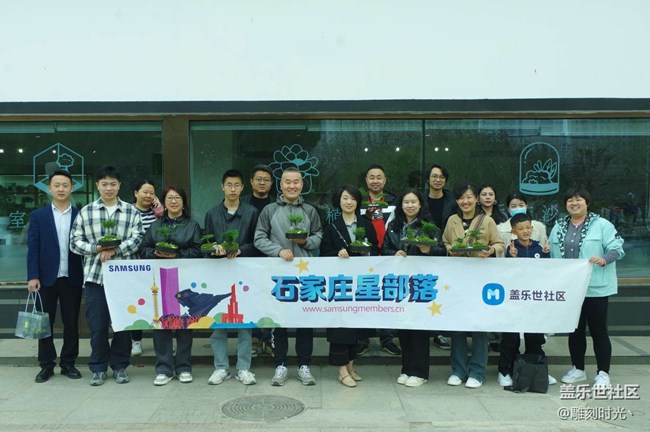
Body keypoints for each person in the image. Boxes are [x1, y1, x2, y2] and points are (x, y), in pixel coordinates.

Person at [70, 165, 144, 386]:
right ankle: (98, 368)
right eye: (104, 184)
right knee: (98, 326)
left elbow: (138, 239)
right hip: (95, 278)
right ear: (97, 186)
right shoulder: (86, 211)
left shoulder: (131, 212)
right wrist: (97, 249)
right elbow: (75, 242)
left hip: (124, 278)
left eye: (113, 184)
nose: (109, 188)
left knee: (123, 325)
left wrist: (115, 250)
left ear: (119, 185)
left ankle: (120, 367)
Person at [550, 186, 625, 388]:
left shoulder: (602, 225)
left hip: (595, 288)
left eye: (579, 200)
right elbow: (552, 255)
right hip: (570, 288)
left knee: (599, 331)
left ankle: (603, 373)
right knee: (575, 330)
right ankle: (578, 369)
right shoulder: (558, 226)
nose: (574, 203)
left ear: (587, 203)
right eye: (570, 200)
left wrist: (604, 258)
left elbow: (617, 248)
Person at [254, 166, 323, 386]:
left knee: (305, 321)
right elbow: (259, 238)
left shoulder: (311, 210)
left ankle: (304, 365)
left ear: (302, 184)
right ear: (281, 184)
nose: (292, 186)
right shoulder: (269, 210)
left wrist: (306, 242)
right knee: (279, 320)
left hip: (304, 274)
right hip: (279, 274)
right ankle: (281, 364)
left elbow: (319, 236)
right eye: (287, 182)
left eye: (296, 182)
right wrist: (278, 250)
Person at [442, 183, 505, 389]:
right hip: (458, 279)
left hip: (480, 280)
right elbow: (444, 242)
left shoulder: (486, 221)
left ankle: (477, 372)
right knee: (458, 327)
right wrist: (450, 249)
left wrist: (491, 251)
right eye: (461, 198)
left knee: (479, 327)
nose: (465, 201)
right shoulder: (452, 220)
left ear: (476, 199)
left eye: (469, 197)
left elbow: (499, 244)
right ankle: (458, 370)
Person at [383, 189, 447, 387]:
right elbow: (384, 249)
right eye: (406, 202)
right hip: (401, 283)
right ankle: (406, 368)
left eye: (413, 202)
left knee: (419, 328)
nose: (410, 205)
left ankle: (420, 372)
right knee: (403, 327)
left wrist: (429, 250)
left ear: (420, 205)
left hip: (421, 283)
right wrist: (394, 253)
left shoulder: (429, 227)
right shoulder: (393, 226)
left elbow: (443, 251)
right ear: (401, 205)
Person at [139, 185, 202, 385]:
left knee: (184, 323)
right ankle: (164, 368)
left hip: (184, 280)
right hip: (161, 280)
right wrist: (156, 254)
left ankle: (184, 367)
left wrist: (177, 254)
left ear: (184, 202)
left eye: (177, 198)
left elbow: (199, 250)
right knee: (161, 323)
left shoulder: (192, 226)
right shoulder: (156, 226)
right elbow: (143, 248)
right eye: (169, 198)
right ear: (164, 203)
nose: (173, 201)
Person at [27, 170, 84, 383]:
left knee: (71, 323)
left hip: (72, 277)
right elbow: (33, 248)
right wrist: (33, 276)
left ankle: (68, 363)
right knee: (44, 324)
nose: (61, 189)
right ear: (49, 188)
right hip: (45, 279)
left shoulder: (80, 215)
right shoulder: (38, 216)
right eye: (57, 185)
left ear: (71, 188)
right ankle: (46, 365)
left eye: (65, 185)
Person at [320, 184, 379, 387]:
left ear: (358, 202)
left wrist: (367, 252)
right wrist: (337, 253)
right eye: (345, 198)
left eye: (353, 198)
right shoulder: (332, 226)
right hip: (340, 286)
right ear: (339, 201)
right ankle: (342, 370)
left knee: (357, 329)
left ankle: (351, 366)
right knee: (340, 328)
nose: (349, 202)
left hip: (361, 284)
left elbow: (376, 249)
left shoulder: (366, 224)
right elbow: (323, 253)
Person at [204, 169, 259, 386]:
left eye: (237, 185)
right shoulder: (212, 214)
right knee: (218, 321)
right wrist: (214, 249)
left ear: (243, 187)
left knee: (245, 322)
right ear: (222, 187)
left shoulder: (252, 212)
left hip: (244, 274)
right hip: (218, 274)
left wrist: (241, 250)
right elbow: (206, 243)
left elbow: (257, 243)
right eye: (229, 185)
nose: (233, 189)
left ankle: (243, 368)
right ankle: (221, 367)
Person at [497, 212, 556, 387]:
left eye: (528, 227)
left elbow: (548, 270)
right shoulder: (510, 248)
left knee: (535, 337)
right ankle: (504, 371)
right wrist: (511, 257)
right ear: (513, 231)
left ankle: (538, 369)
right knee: (511, 338)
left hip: (534, 300)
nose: (525, 231)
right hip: (514, 300)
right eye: (521, 228)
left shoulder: (540, 247)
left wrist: (546, 255)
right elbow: (505, 272)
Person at [356, 164, 401, 357]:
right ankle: (362, 340)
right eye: (371, 177)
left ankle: (387, 339)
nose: (375, 181)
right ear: (366, 180)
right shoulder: (358, 201)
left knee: (387, 297)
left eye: (379, 177)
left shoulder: (394, 202)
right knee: (364, 296)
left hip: (388, 255)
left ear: (385, 180)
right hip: (364, 257)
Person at [239, 164, 274, 356]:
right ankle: (253, 339)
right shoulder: (242, 203)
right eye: (259, 179)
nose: (262, 183)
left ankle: (268, 339)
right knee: (250, 299)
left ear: (271, 183)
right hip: (247, 258)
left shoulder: (277, 204)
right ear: (251, 182)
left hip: (271, 259)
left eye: (266, 180)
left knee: (269, 299)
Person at [425, 163, 457, 351]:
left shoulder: (452, 201)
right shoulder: (420, 199)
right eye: (434, 176)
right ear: (428, 179)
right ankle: (429, 331)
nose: (438, 180)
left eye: (442, 177)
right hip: (423, 251)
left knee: (444, 292)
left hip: (447, 251)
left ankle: (441, 332)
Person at [130, 179, 163, 356]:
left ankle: (163, 342)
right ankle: (136, 340)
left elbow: (167, 230)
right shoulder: (128, 211)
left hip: (155, 264)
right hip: (134, 265)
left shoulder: (157, 213)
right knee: (137, 303)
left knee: (158, 304)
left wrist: (159, 211)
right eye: (145, 192)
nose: (148, 196)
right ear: (136, 193)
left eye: (152, 193)